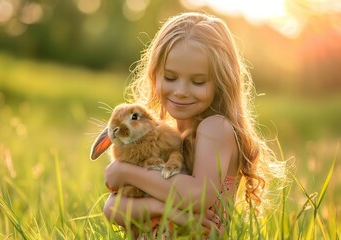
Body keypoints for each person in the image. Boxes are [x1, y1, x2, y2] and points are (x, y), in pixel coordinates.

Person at [102, 12, 287, 238]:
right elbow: (112, 209)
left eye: (198, 81)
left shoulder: (215, 128)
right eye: (170, 78)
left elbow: (197, 195)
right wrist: (164, 209)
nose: (181, 91)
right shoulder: (162, 135)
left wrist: (124, 171)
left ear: (221, 82)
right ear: (154, 75)